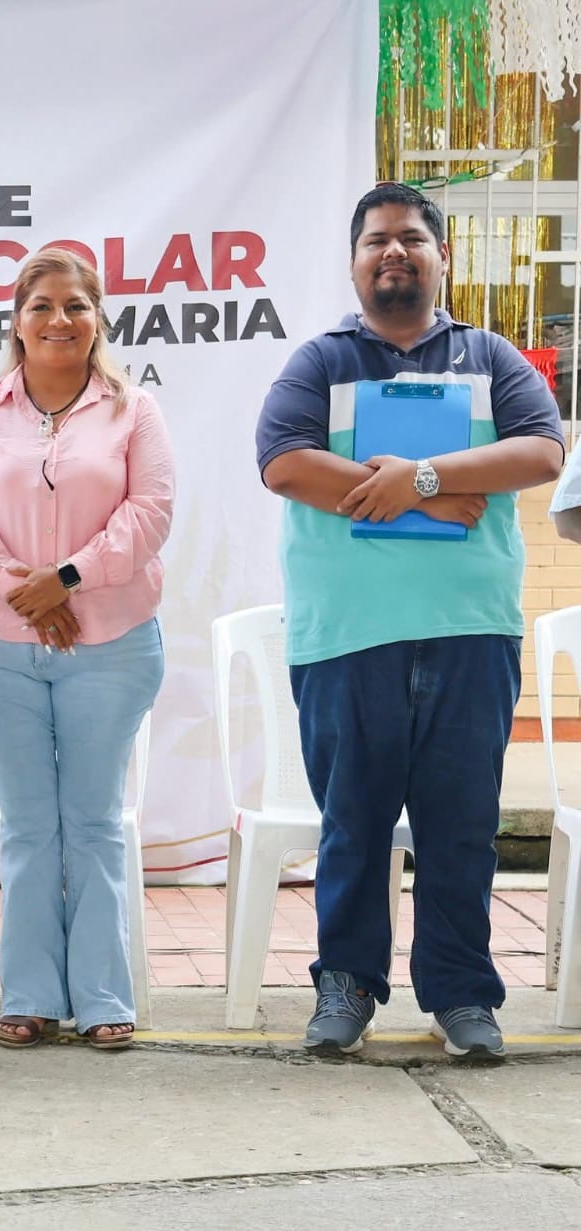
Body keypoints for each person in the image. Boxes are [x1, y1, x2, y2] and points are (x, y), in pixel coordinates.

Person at [256, 183, 564, 1061]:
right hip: (347, 634)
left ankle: (461, 993)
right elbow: (282, 461)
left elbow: (543, 449)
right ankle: (346, 986)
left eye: (412, 238)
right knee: (353, 823)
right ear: (355, 262)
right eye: (377, 240)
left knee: (460, 825)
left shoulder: (491, 356)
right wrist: (423, 495)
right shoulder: (321, 361)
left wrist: (421, 475)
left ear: (442, 257)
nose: (394, 251)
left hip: (470, 630)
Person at [0, 246, 173, 1052]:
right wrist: (24, 590)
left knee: (94, 820)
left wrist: (66, 578)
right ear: (17, 322)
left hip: (112, 646)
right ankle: (31, 992)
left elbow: (150, 514)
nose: (59, 319)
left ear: (98, 319)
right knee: (30, 822)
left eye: (76, 305)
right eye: (41, 305)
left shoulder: (134, 411)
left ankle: (103, 994)